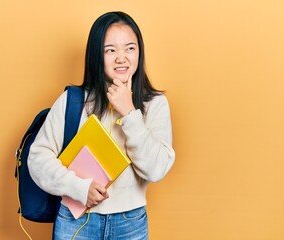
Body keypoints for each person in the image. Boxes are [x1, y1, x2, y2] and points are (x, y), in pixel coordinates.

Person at [28, 11, 175, 240]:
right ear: (97, 55)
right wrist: (78, 187)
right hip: (76, 219)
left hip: (131, 223)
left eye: (129, 48)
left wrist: (129, 112)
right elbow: (37, 158)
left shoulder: (154, 104)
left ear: (139, 51)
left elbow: (156, 170)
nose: (121, 57)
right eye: (110, 50)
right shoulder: (74, 101)